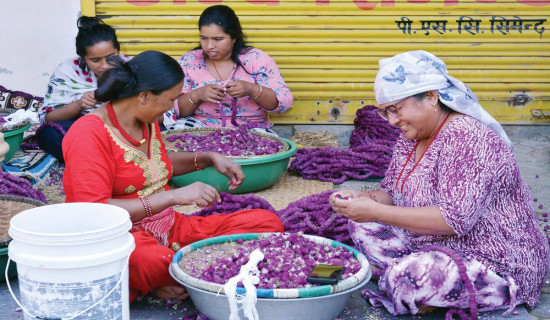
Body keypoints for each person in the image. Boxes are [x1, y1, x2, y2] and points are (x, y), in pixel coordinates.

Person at [330, 50, 549, 318]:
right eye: (386, 112)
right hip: (431, 244)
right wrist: (362, 198)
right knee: (361, 222)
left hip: (493, 263)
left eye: (396, 109)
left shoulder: (467, 137)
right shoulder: (411, 137)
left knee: (413, 277)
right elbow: (390, 192)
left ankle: (405, 276)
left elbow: (454, 220)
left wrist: (375, 211)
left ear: (431, 97)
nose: (391, 121)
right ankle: (407, 276)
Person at [62, 50, 284, 301]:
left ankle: (181, 276)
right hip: (121, 241)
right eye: (170, 100)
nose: (172, 108)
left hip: (170, 228)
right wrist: (173, 196)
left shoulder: (146, 119)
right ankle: (174, 276)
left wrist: (208, 158)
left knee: (266, 223)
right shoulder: (89, 133)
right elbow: (94, 213)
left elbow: (158, 164)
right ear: (144, 96)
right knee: (153, 261)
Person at [38, 16, 176, 161]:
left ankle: (99, 161)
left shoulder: (134, 68)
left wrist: (132, 102)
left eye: (111, 57)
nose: (105, 65)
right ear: (83, 57)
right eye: (95, 60)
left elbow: (162, 116)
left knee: (157, 132)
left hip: (128, 130)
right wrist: (79, 105)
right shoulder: (68, 71)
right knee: (49, 134)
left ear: (118, 50)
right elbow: (48, 118)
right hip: (88, 132)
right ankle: (114, 161)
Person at [172, 5, 292, 131]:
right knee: (178, 134)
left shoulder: (256, 59)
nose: (209, 46)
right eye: (203, 38)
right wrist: (196, 95)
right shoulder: (189, 61)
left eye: (217, 39)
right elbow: (174, 110)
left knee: (263, 145)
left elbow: (283, 104)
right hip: (202, 128)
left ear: (234, 37)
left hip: (252, 128)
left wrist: (252, 89)